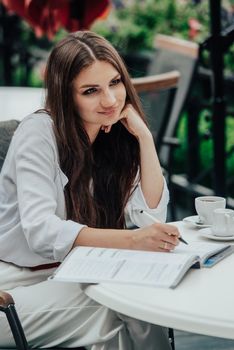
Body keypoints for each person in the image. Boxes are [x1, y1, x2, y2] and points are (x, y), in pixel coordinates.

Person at [0, 31, 180, 350]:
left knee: (131, 301)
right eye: (91, 90)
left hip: (71, 273)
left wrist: (145, 139)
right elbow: (42, 230)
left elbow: (148, 215)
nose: (110, 100)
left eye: (115, 83)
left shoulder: (112, 137)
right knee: (125, 307)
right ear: (66, 96)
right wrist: (132, 241)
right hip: (13, 282)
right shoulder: (39, 133)